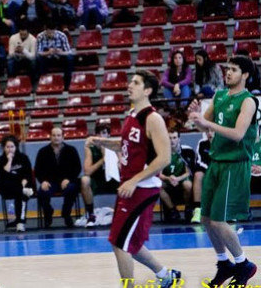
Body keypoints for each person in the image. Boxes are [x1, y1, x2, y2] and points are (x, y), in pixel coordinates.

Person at [87, 70, 181, 287]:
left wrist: (134, 180)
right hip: (130, 185)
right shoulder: (131, 115)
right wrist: (100, 142)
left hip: (142, 188)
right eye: (131, 81)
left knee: (120, 242)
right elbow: (126, 145)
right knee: (133, 242)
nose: (130, 85)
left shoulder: (153, 118)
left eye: (136, 83)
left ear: (147, 90)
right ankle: (165, 275)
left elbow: (164, 157)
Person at [188, 55, 258, 286]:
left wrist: (208, 124)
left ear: (245, 75)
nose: (228, 73)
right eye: (227, 69)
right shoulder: (218, 96)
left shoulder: (248, 101)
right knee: (206, 219)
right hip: (216, 162)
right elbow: (205, 129)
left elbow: (238, 134)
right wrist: (196, 116)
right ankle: (224, 263)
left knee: (219, 221)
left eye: (234, 69)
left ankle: (244, 264)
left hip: (234, 165)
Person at [35, 127, 82, 228]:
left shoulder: (71, 150)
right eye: (54, 135)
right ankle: (48, 214)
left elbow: (77, 168)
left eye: (58, 135)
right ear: (50, 137)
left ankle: (66, 213)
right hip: (50, 182)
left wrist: (69, 179)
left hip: (67, 181)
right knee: (42, 192)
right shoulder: (43, 151)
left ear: (63, 137)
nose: (56, 138)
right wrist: (43, 181)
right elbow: (38, 170)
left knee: (72, 188)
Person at [80, 124, 119, 228]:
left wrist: (111, 157)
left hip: (113, 179)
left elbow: (121, 168)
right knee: (84, 180)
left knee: (128, 179)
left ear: (109, 135)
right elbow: (87, 171)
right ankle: (91, 215)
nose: (101, 136)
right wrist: (103, 159)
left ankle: (123, 213)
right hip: (97, 179)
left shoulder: (115, 146)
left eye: (104, 133)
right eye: (98, 133)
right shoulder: (90, 148)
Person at [0, 136, 34, 232]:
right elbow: (3, 176)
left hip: (23, 184)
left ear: (16, 147)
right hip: (9, 187)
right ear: (4, 148)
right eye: (7, 147)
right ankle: (22, 191)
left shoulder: (23, 158)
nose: (10, 149)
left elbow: (28, 173)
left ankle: (20, 223)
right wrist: (9, 160)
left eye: (12, 147)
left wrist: (22, 184)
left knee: (19, 194)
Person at [159, 129, 194, 222]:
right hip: (168, 181)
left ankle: (188, 208)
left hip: (181, 179)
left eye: (174, 138)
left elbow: (188, 172)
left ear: (179, 139)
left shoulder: (186, 151)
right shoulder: (162, 153)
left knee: (188, 185)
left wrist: (177, 179)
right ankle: (173, 210)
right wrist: (168, 178)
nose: (172, 140)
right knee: (157, 185)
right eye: (169, 138)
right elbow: (159, 173)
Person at [34, 22, 74, 91]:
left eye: (52, 33)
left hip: (59, 58)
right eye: (49, 33)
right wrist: (48, 52)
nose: (51, 35)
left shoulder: (62, 35)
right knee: (39, 59)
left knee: (69, 58)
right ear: (45, 30)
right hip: (47, 58)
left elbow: (69, 52)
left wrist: (60, 52)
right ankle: (43, 82)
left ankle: (67, 83)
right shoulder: (40, 36)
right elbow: (38, 53)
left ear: (55, 30)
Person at [192, 129, 215, 224]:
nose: (210, 133)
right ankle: (198, 210)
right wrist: (210, 169)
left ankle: (229, 210)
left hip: (221, 170)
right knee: (198, 175)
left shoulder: (224, 143)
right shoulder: (202, 143)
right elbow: (199, 161)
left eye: (212, 131)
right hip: (206, 170)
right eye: (207, 131)